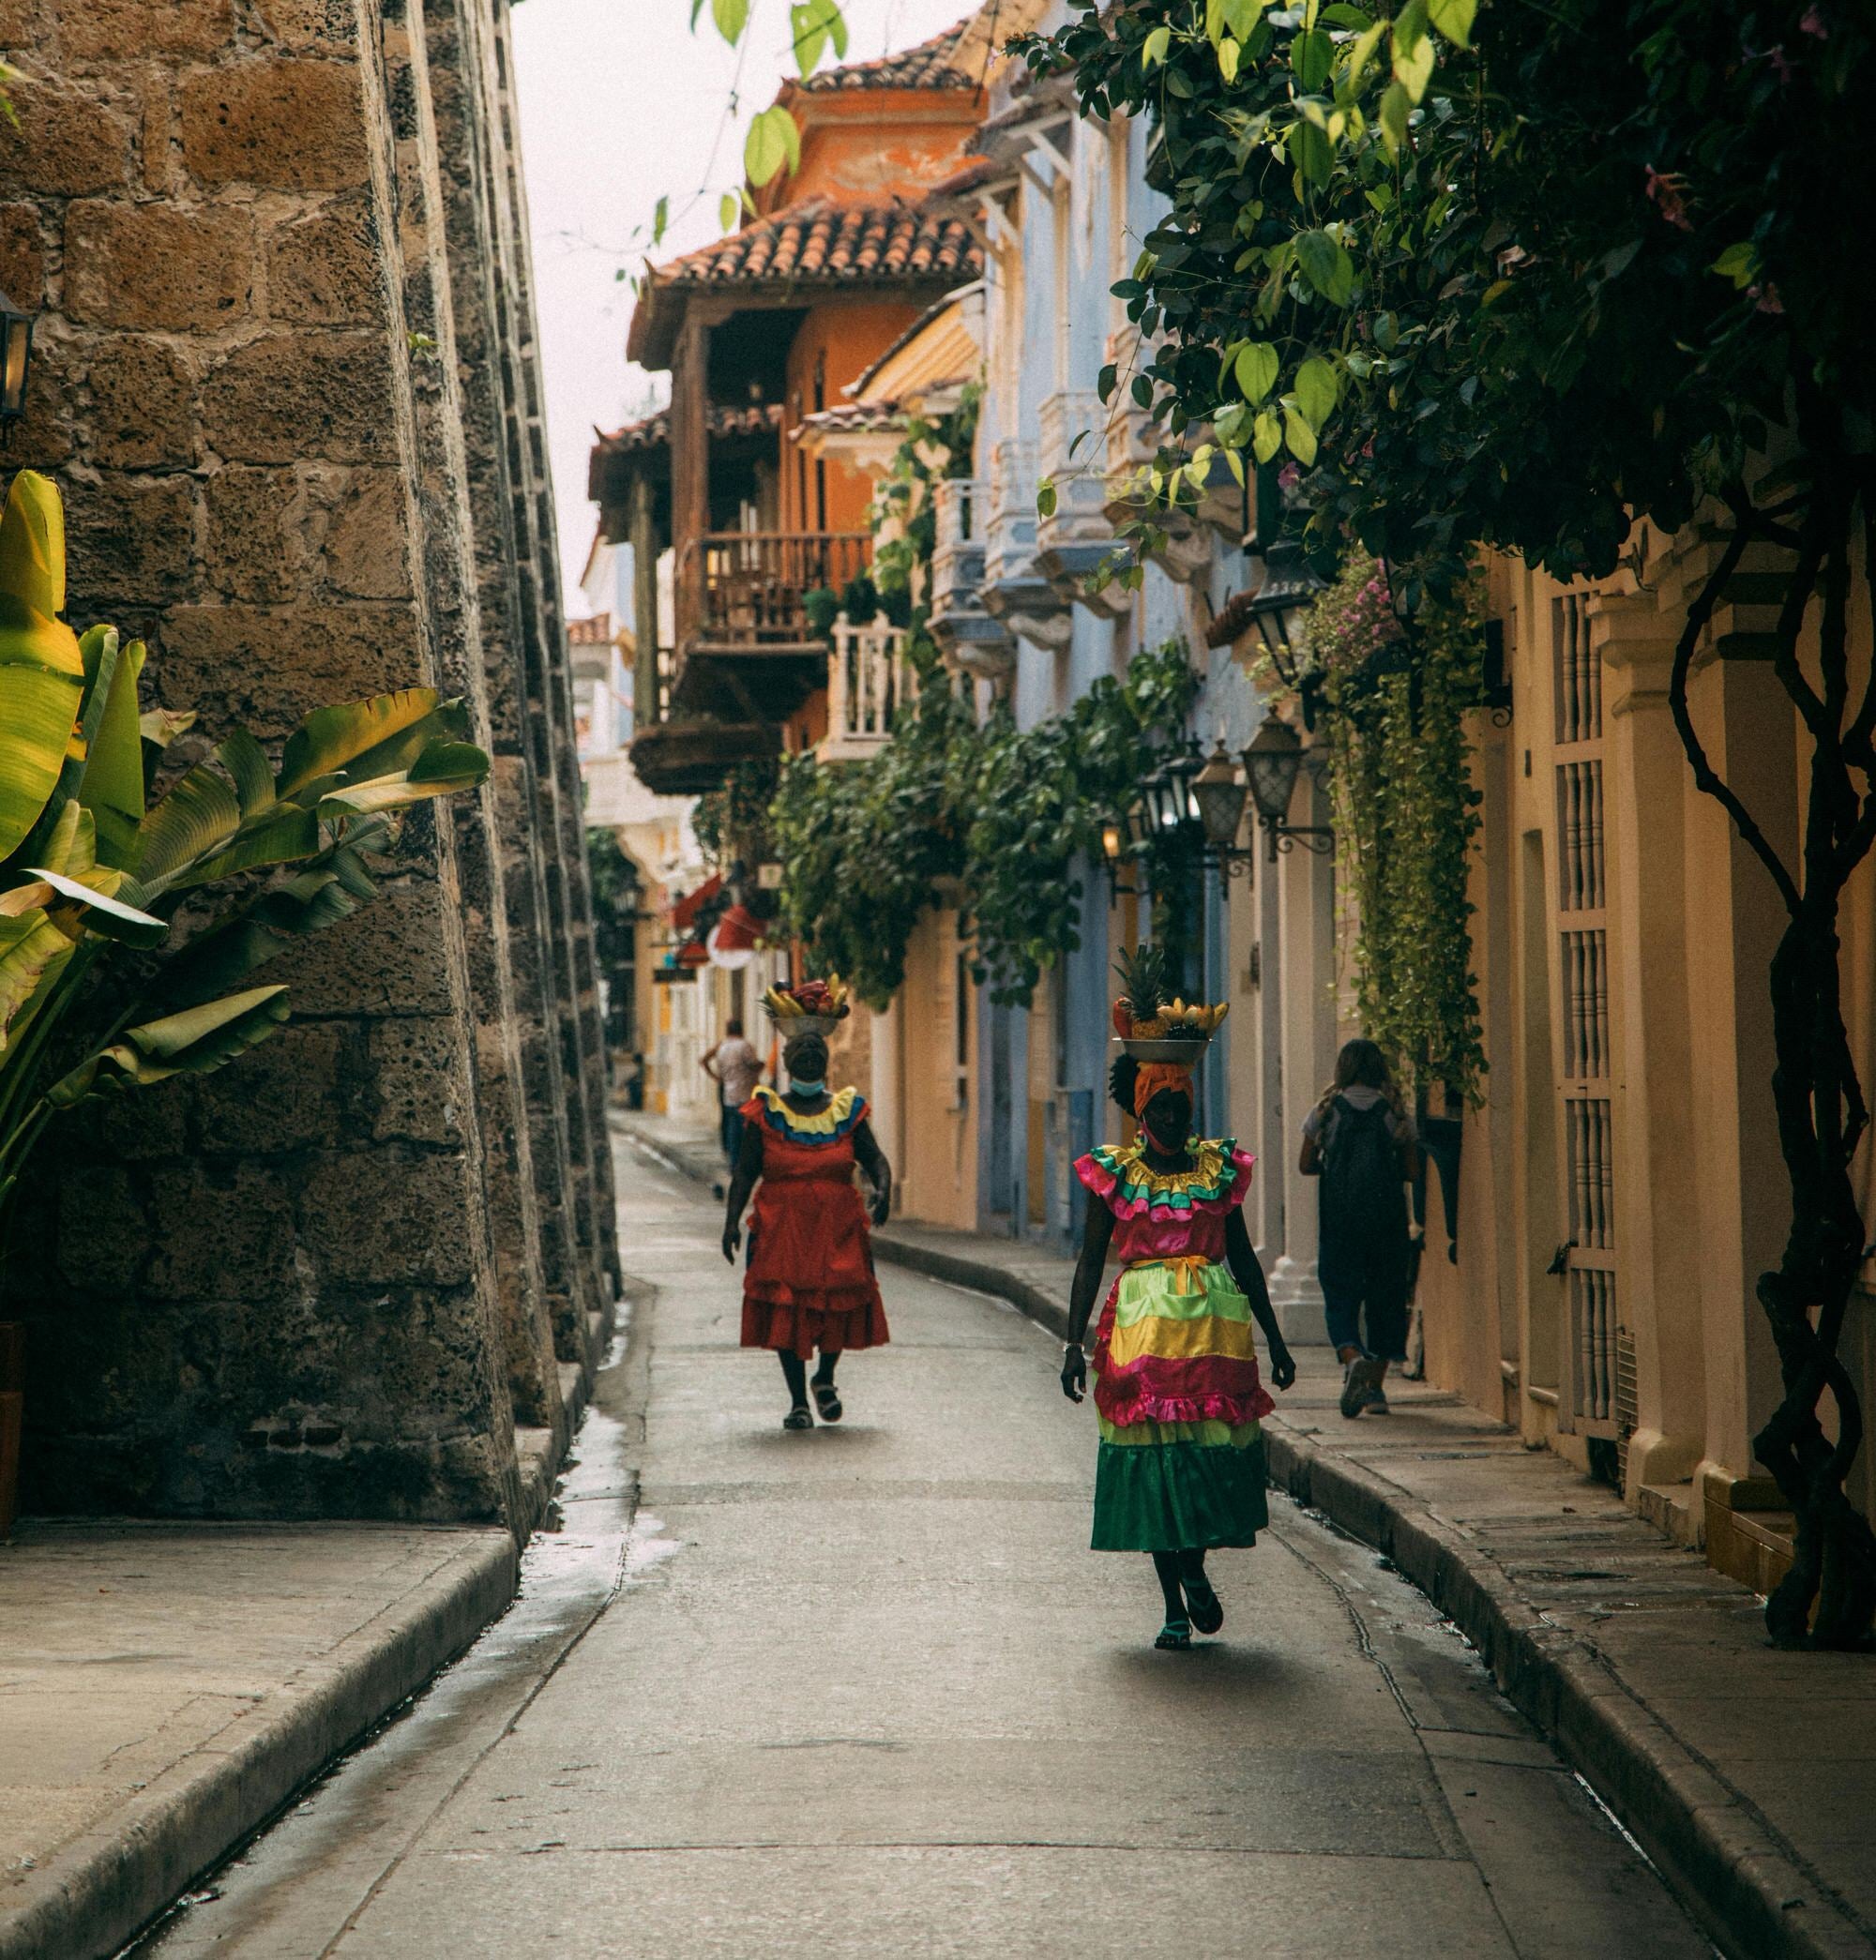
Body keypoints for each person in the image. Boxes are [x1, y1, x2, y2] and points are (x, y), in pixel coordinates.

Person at [1062, 995, 1295, 1652]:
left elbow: (1246, 1259)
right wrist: (1072, 1346)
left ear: (1193, 1104)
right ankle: (1172, 1602)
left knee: (1201, 1461)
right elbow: (1088, 1262)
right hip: (1142, 1338)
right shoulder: (1116, 1176)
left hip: (1216, 1339)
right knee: (1155, 1466)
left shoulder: (1216, 1170)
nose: (1171, 1115)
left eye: (1181, 1104)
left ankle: (1195, 1566)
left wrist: (1275, 1340)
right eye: (1160, 1105)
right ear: (1141, 1108)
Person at [721, 1013, 892, 1431]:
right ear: (788, 1061)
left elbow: (874, 1159)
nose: (811, 1056)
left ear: (827, 1061)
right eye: (803, 1050)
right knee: (787, 1306)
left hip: (838, 1227)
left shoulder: (846, 1110)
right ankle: (798, 1400)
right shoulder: (766, 1112)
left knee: (843, 1298)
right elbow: (745, 1172)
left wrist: (884, 1190)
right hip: (782, 1229)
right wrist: (730, 1223)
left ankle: (825, 1378)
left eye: (819, 1050)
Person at [1299, 1037, 1418, 1419]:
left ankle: (1352, 1359)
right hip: (1387, 1221)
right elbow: (1413, 1171)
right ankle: (1377, 1390)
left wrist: (1332, 1169)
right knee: (1386, 1295)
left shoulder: (1326, 1111)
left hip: (1340, 1219)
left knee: (1340, 1291)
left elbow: (1305, 1164)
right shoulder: (1396, 1113)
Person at [701, 1018, 762, 1195]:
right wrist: (761, 1066)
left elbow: (704, 1060)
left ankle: (734, 1165)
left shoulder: (722, 1046)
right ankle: (746, 1166)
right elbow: (752, 1064)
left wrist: (716, 1077)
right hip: (745, 1095)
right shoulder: (744, 1046)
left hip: (728, 1093)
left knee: (732, 1131)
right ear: (741, 1029)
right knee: (746, 1133)